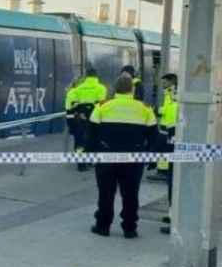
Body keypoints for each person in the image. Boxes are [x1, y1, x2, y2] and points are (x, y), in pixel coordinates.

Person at [86, 74, 157, 238]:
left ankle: (103, 226)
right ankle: (130, 228)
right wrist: (150, 158)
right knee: (131, 194)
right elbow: (153, 136)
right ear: (132, 90)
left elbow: (91, 134)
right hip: (134, 159)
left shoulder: (102, 107)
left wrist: (90, 156)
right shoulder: (145, 108)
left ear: (114, 88)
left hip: (106, 158)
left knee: (106, 193)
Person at [64, 68, 107, 172]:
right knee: (95, 139)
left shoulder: (77, 90)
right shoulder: (101, 88)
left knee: (79, 141)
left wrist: (71, 125)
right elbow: (102, 105)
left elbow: (69, 107)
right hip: (95, 120)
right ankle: (92, 160)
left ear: (86, 77)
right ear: (96, 76)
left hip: (80, 119)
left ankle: (81, 164)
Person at [158, 73, 179, 235]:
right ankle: (172, 214)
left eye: (164, 81)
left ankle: (175, 218)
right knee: (172, 181)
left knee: (176, 181)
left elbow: (174, 116)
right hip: (169, 138)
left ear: (172, 81)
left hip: (175, 138)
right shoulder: (169, 95)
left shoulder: (176, 95)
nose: (162, 83)